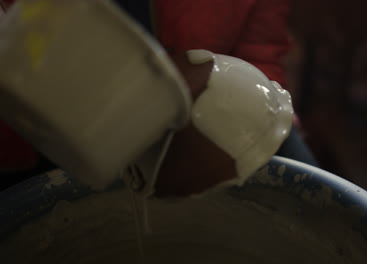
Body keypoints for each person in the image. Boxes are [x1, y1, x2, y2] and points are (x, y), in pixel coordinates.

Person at [0, 0, 316, 195]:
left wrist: (251, 112)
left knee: (306, 183)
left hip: (197, 106)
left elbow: (260, 50)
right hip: (31, 126)